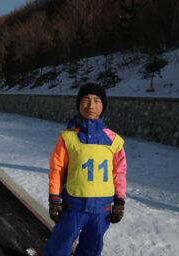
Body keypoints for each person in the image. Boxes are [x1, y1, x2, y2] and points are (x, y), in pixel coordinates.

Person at [43, 83, 127, 256]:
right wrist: (54, 199)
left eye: (96, 101)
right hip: (73, 207)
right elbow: (57, 169)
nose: (90, 105)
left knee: (92, 248)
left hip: (101, 210)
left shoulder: (115, 140)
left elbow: (119, 172)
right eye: (85, 100)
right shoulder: (68, 137)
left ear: (103, 105)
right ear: (78, 104)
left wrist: (119, 202)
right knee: (60, 245)